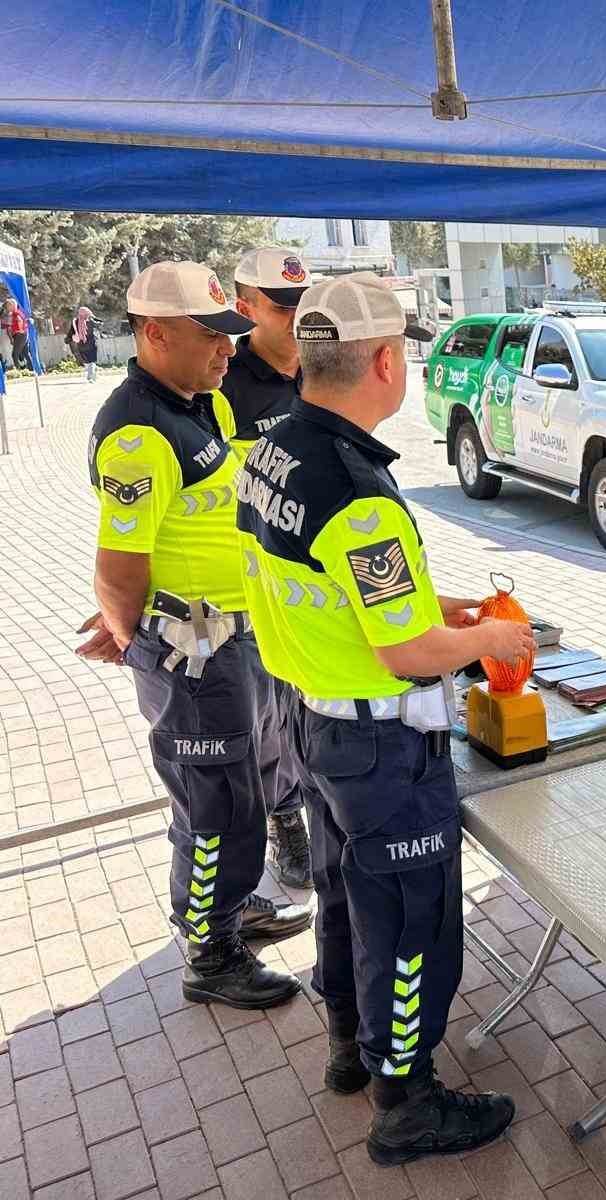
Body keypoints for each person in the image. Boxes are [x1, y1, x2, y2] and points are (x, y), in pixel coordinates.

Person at [235, 273, 531, 1164]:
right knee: (407, 920)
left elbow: (349, 593)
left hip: (317, 726)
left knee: (342, 896)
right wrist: (497, 638)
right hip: (380, 745)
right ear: (389, 361)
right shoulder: (360, 489)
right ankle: (406, 1100)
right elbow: (404, 652)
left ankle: (347, 1053)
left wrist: (450, 606)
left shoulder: (274, 447)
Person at [74, 261, 309, 1012]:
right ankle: (210, 953)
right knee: (215, 805)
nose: (226, 351)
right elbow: (118, 569)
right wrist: (130, 630)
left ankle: (231, 910)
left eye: (231, 335)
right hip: (194, 651)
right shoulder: (139, 433)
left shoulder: (194, 401)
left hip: (238, 636)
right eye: (210, 336)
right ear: (153, 332)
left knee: (242, 785)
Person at [221, 247, 315, 890]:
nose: (294, 319)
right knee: (264, 725)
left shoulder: (320, 368)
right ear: (243, 305)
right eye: (281, 308)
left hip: (316, 578)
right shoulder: (224, 381)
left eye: (302, 306)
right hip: (251, 587)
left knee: (312, 710)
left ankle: (309, 806)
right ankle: (286, 823)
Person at [70, 306, 101, 382]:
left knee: (87, 362)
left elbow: (72, 332)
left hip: (80, 346)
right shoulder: (90, 322)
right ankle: (90, 377)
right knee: (92, 361)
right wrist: (94, 317)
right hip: (91, 345)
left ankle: (93, 375)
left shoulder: (76, 321)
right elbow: (100, 324)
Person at [3, 296, 30, 370]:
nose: (7, 307)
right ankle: (31, 369)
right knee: (26, 353)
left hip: (20, 335)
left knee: (14, 354)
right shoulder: (17, 312)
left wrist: (20, 330)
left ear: (12, 305)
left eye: (8, 305)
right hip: (23, 334)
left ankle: (19, 371)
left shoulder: (15, 313)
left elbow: (19, 320)